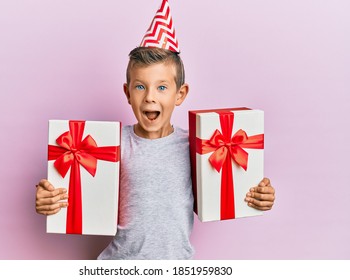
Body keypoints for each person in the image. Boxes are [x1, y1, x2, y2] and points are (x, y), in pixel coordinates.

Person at [35, 0, 275, 260]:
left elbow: (222, 193)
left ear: (180, 94)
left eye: (162, 87)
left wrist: (258, 196)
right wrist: (49, 198)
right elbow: (77, 192)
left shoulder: (198, 147)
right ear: (127, 93)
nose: (150, 97)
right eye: (140, 87)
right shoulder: (110, 145)